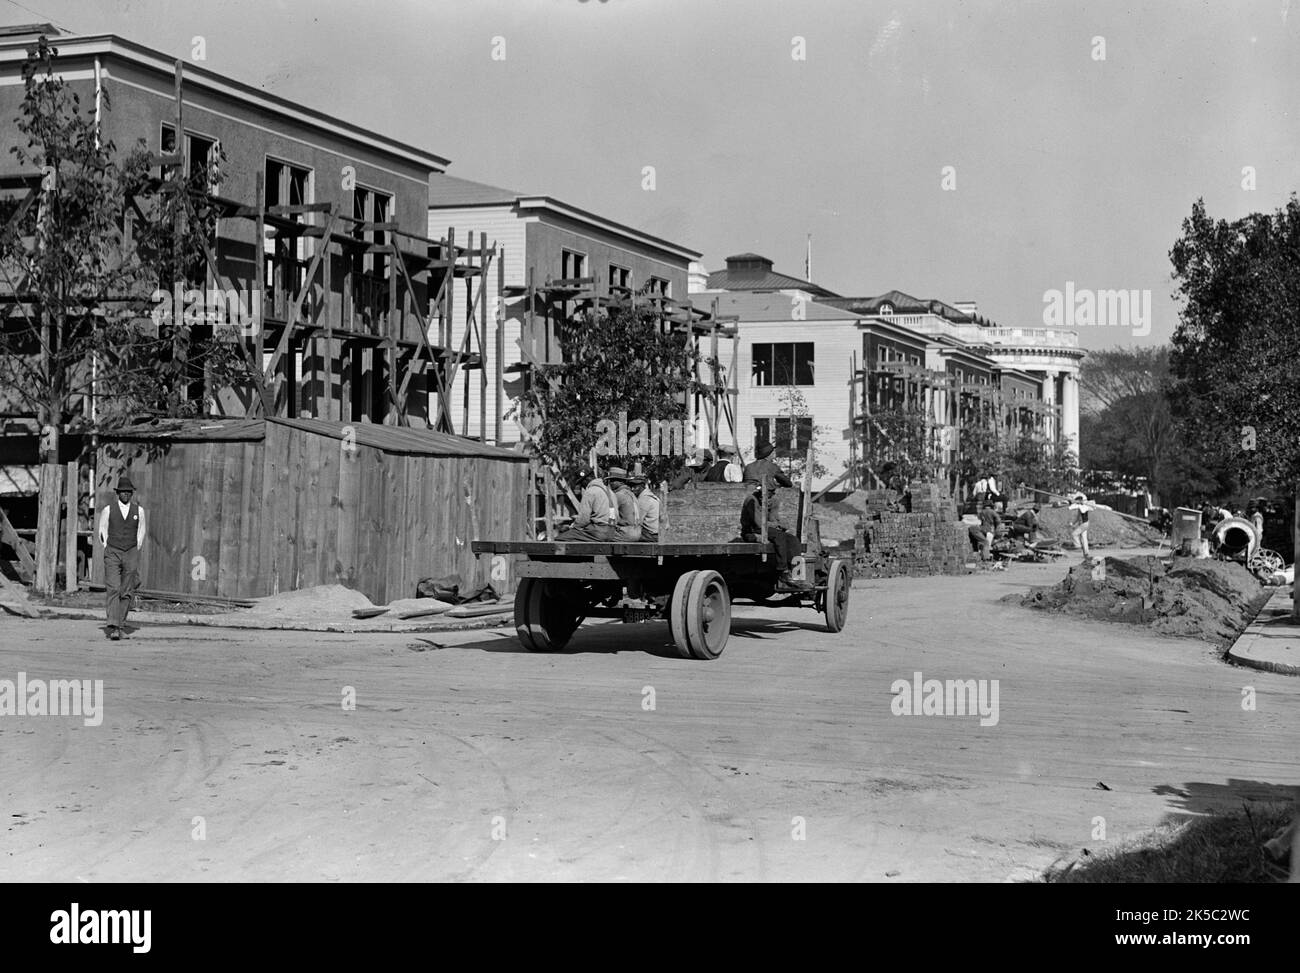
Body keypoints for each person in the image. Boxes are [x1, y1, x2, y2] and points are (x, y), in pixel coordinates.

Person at [97, 473, 146, 641]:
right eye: (123, 492)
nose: (126, 494)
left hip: (130, 551)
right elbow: (102, 530)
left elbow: (141, 531)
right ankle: (113, 624)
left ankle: (121, 624)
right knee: (113, 588)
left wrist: (136, 547)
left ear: (132, 493)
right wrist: (107, 546)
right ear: (117, 493)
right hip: (112, 551)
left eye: (129, 492)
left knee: (126, 590)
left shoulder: (138, 511)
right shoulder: (108, 510)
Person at [741, 479, 808, 589]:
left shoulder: (773, 500)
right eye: (769, 493)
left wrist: (780, 524)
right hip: (752, 531)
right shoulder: (751, 500)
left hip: (766, 529)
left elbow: (774, 518)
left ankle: (797, 574)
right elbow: (758, 523)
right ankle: (783, 571)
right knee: (779, 536)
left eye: (772, 493)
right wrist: (777, 526)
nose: (771, 495)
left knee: (793, 539)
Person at [555, 467, 614, 542]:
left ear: (586, 480)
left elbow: (583, 520)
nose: (582, 486)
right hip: (612, 531)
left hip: (598, 531)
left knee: (560, 539)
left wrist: (572, 527)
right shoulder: (610, 491)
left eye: (581, 482)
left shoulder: (590, 492)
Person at [606, 467, 642, 542]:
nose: (610, 483)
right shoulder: (631, 494)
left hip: (625, 533)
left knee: (600, 535)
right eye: (610, 481)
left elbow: (610, 516)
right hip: (637, 532)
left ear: (621, 482)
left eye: (613, 481)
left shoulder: (618, 495)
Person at [629, 473, 660, 543]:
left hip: (652, 535)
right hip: (659, 533)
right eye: (631, 486)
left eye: (635, 486)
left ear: (642, 486)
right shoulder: (650, 496)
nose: (632, 489)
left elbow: (637, 521)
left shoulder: (644, 499)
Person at [1069, 491, 1092, 560]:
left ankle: (1078, 546)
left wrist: (1078, 504)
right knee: (1084, 539)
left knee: (1074, 534)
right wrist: (1072, 523)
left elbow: (1080, 508)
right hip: (1083, 524)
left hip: (1084, 524)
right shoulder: (1080, 508)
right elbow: (1077, 517)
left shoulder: (1084, 507)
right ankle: (1086, 553)